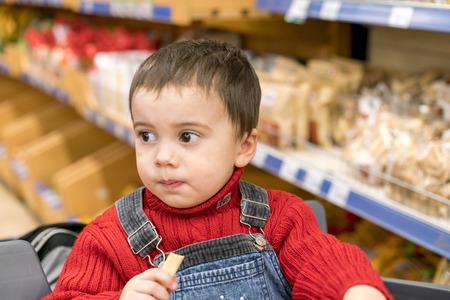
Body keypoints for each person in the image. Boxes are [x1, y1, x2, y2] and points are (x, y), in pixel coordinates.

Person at [43, 39, 393, 300]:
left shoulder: (279, 219)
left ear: (243, 147)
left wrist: (357, 290)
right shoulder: (111, 238)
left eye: (187, 136)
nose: (162, 156)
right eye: (147, 135)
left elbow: (325, 261)